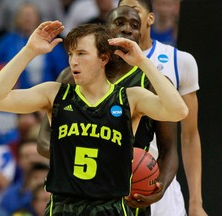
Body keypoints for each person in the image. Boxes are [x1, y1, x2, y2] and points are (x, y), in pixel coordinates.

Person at [0, 20, 187, 215]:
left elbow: (178, 111)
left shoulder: (130, 98)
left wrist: (143, 62)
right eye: (71, 54)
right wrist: (29, 51)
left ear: (103, 58)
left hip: (111, 207)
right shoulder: (54, 94)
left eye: (81, 53)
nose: (73, 61)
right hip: (64, 206)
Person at [37, 7, 179, 216]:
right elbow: (43, 140)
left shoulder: (149, 83)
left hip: (128, 188)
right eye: (120, 22)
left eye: (134, 26)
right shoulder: (71, 76)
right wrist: (86, 161)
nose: (127, 29)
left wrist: (159, 188)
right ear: (105, 32)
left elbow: (169, 148)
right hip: (76, 190)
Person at [118, 1, 207, 216]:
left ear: (150, 18)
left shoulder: (179, 61)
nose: (128, 16)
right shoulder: (104, 63)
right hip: (113, 181)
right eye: (122, 13)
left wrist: (196, 202)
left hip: (160, 180)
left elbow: (189, 135)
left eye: (135, 10)